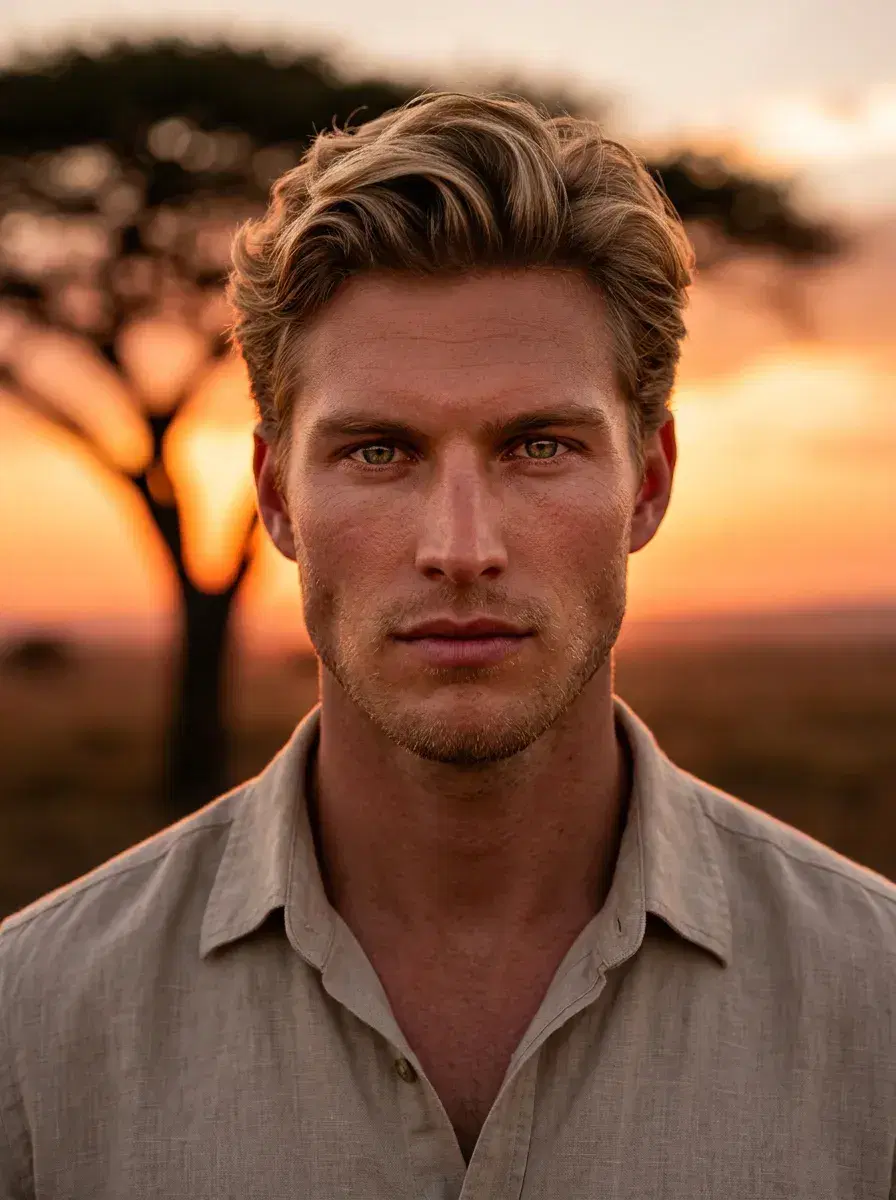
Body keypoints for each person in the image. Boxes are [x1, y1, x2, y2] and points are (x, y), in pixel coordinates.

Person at [1, 91, 893, 1200]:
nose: (458, 548)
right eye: (379, 452)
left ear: (647, 484)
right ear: (278, 498)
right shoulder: (30, 1027)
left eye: (536, 445)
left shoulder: (876, 1005)